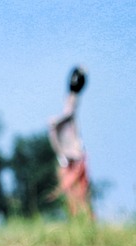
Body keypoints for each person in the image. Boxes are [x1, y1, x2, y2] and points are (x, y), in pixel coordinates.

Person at [48, 66, 94, 219]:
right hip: (68, 154)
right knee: (72, 192)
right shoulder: (70, 98)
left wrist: (55, 121)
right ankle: (78, 219)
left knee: (79, 191)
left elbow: (69, 114)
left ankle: (84, 219)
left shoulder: (72, 99)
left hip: (74, 153)